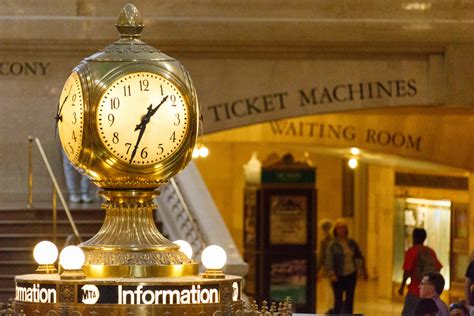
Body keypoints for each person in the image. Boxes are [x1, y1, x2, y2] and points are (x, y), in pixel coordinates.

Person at [324, 218, 367, 314]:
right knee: (338, 299)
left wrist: (362, 270)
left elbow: (359, 256)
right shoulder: (333, 245)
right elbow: (329, 260)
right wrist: (331, 274)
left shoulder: (351, 243)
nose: (342, 230)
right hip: (338, 275)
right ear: (335, 230)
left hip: (351, 274)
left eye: (343, 228)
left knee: (350, 299)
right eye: (339, 228)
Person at [399, 228, 443, 316]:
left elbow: (407, 272)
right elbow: (438, 269)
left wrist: (402, 287)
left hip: (415, 291)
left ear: (414, 238)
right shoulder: (430, 252)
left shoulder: (412, 251)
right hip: (429, 294)